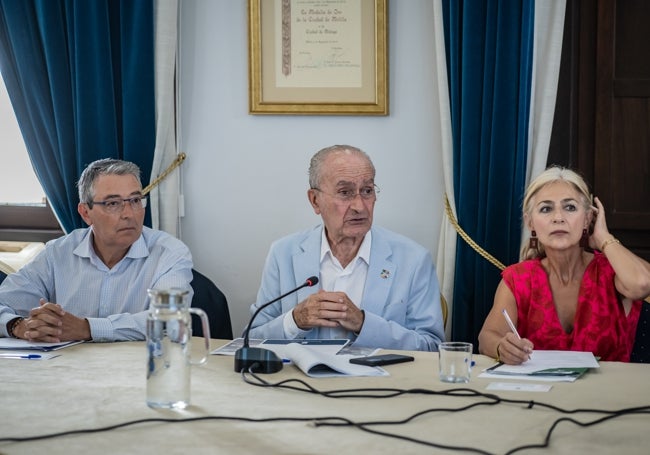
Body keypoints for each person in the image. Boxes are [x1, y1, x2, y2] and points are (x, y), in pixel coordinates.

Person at [247, 145, 445, 351]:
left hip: (379, 381)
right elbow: (251, 339)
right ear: (315, 201)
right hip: (298, 380)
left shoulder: (413, 259)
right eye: (345, 192)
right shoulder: (284, 253)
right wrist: (294, 321)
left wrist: (363, 323)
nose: (359, 206)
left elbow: (431, 346)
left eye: (367, 191)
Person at [0, 158, 193, 342]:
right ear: (85, 213)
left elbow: (171, 318)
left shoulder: (169, 252)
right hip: (66, 370)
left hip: (139, 370)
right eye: (113, 203)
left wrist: (87, 328)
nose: (129, 214)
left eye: (135, 200)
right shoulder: (57, 254)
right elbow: (4, 300)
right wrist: (18, 326)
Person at [478, 166, 650, 364]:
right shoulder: (518, 279)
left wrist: (604, 238)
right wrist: (502, 347)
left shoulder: (611, 270)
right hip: (540, 394)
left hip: (610, 393)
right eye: (546, 208)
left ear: (587, 219)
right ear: (530, 223)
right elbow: (487, 337)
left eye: (570, 207)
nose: (558, 217)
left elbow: (642, 284)